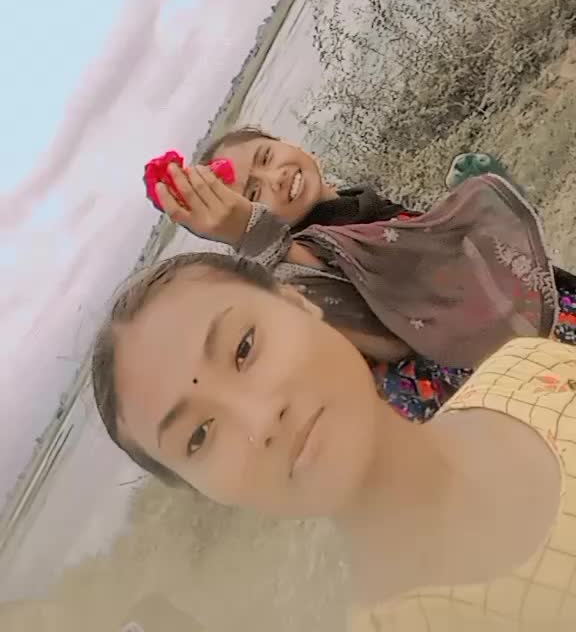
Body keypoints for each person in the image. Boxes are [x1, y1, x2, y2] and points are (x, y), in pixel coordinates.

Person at [91, 251, 576, 630]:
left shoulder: (528, 367)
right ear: (200, 489)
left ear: (297, 304)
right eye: (199, 437)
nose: (261, 419)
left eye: (244, 348)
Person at [153, 129, 575, 417]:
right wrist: (252, 236)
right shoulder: (304, 256)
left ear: (283, 141)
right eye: (253, 193)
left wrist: (461, 210)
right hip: (511, 368)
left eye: (266, 157)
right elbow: (388, 339)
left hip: (523, 327)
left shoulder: (354, 206)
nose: (275, 178)